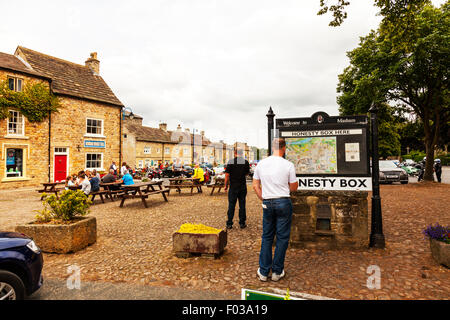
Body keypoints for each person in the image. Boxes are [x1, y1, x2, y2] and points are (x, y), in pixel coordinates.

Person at [252, 138, 298, 282]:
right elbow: (294, 187)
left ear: (272, 148)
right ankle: (277, 272)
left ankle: (264, 272)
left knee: (267, 236)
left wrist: (263, 198)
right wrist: (283, 189)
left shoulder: (262, 164)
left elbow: (255, 185)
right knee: (282, 238)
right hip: (283, 201)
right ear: (284, 148)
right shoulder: (288, 165)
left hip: (267, 201)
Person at [224, 149, 250, 229]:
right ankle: (242, 223)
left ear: (235, 153)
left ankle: (229, 223)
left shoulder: (231, 162)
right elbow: (247, 173)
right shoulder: (245, 162)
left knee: (231, 205)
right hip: (242, 186)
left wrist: (226, 185)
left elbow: (227, 175)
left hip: (233, 186)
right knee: (242, 205)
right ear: (242, 154)